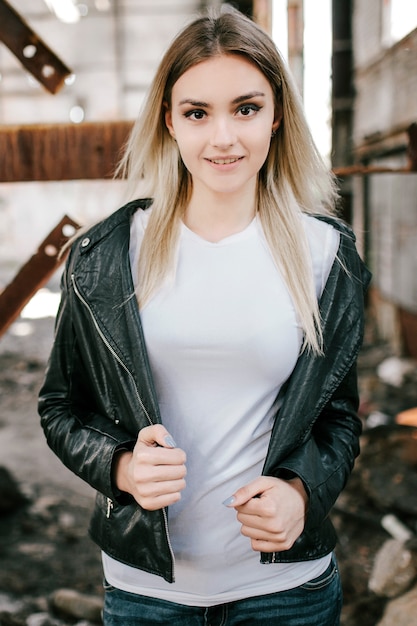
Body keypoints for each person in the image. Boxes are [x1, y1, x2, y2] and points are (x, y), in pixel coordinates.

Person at [38, 5, 371, 625]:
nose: (223, 137)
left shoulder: (327, 255)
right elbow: (61, 407)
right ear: (170, 122)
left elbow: (338, 418)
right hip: (147, 594)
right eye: (198, 113)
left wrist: (303, 492)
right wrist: (123, 467)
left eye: (246, 108)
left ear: (276, 118)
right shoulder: (107, 257)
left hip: (287, 593)